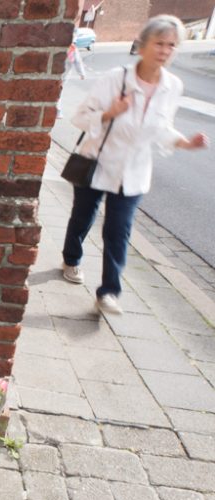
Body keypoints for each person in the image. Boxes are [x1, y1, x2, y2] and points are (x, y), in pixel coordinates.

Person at [61, 14, 210, 315]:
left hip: (134, 172)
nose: (165, 51)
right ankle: (71, 259)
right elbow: (79, 117)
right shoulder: (115, 79)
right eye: (159, 43)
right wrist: (109, 113)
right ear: (142, 45)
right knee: (82, 218)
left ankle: (108, 293)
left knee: (119, 230)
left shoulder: (173, 86)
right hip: (97, 163)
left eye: (172, 45)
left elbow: (163, 128)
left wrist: (185, 143)